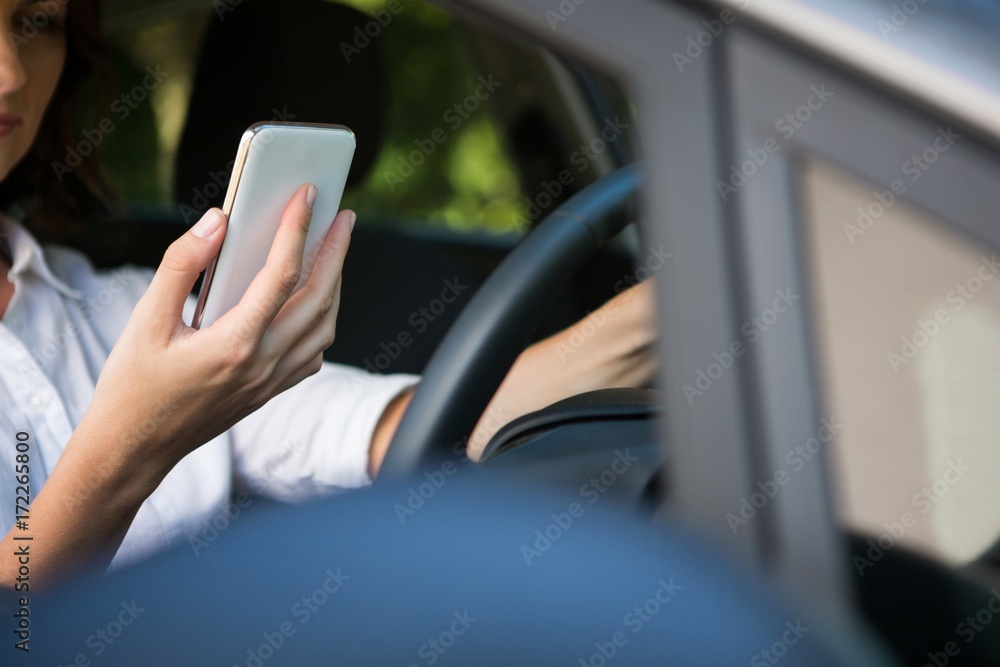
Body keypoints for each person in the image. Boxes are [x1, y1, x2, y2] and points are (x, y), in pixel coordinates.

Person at [0, 0, 657, 589]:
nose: (11, 74)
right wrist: (131, 444)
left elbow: (413, 426)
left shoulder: (127, 310)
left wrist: (676, 314)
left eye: (36, 22)